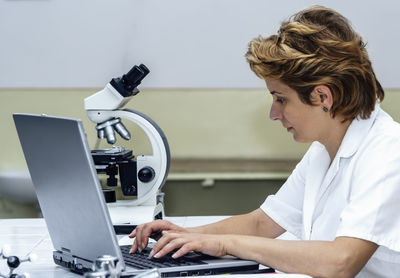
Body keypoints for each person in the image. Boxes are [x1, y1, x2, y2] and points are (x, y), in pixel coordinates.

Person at [129, 6, 400, 278]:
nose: (274, 114)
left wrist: (224, 244)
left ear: (323, 97)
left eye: (281, 99)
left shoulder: (388, 151)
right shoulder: (324, 148)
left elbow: (340, 263)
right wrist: (184, 235)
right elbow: (262, 224)